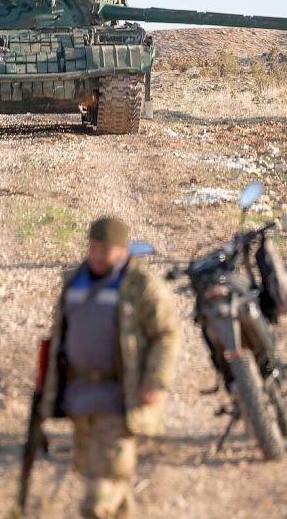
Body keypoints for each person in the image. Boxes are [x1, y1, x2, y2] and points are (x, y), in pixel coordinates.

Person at [38, 217, 181, 519]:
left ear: (124, 251)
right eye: (94, 248)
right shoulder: (75, 281)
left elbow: (167, 334)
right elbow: (60, 337)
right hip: (80, 397)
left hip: (119, 399)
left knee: (98, 496)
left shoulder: (142, 287)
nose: (99, 255)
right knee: (96, 473)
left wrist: (155, 379)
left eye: (107, 250)